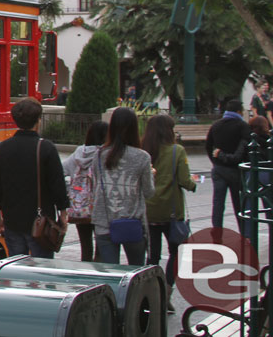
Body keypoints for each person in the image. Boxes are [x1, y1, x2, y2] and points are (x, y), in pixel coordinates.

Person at [0, 97, 69, 259]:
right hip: (40, 220)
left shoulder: (2, 148)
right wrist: (63, 213)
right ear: (38, 120)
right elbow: (57, 184)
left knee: (16, 266)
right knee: (42, 269)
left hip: (12, 218)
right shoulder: (46, 148)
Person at [93, 107, 155, 265]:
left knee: (110, 273)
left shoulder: (100, 155)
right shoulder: (142, 157)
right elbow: (148, 192)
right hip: (132, 223)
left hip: (103, 222)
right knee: (135, 272)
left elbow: (97, 185)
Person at [143, 114, 196, 290]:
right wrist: (193, 184)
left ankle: (151, 290)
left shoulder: (143, 150)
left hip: (149, 210)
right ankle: (167, 287)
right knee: (176, 252)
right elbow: (184, 180)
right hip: (171, 212)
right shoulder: (177, 150)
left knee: (152, 255)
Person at [63, 120, 108, 262]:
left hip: (80, 206)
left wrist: (70, 189)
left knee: (85, 245)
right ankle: (98, 276)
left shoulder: (78, 154)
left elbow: (60, 170)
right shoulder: (106, 155)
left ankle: (86, 270)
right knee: (102, 245)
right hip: (101, 206)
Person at [206, 99, 251, 234]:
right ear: (238, 111)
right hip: (236, 169)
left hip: (219, 169)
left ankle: (217, 231)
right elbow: (248, 146)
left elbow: (208, 146)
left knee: (218, 203)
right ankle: (243, 231)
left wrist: (215, 161)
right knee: (239, 203)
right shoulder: (242, 126)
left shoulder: (216, 125)